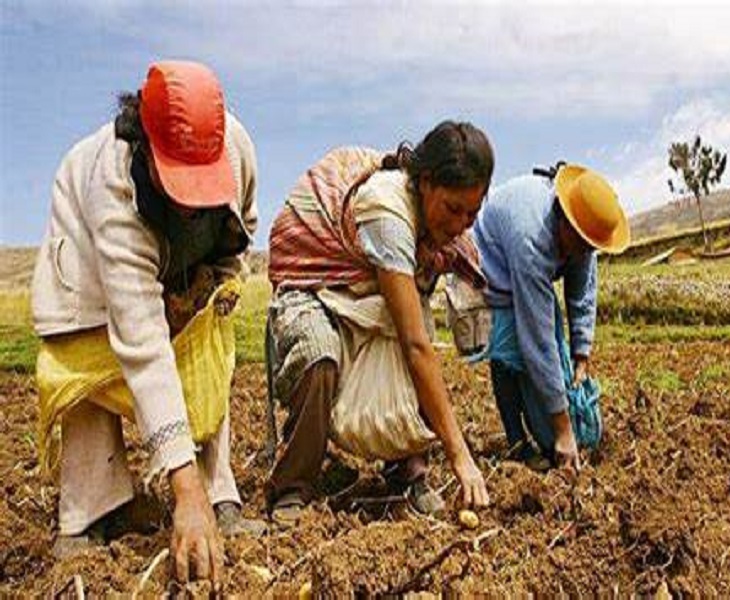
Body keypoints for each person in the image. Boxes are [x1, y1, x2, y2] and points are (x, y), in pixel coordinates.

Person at [31, 60, 264, 586]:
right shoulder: (111, 188)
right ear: (148, 149)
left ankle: (216, 489)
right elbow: (142, 341)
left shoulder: (236, 149)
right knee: (88, 367)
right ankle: (90, 510)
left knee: (208, 357)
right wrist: (181, 495)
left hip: (189, 269)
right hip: (88, 283)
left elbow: (243, 226)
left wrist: (211, 285)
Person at [265, 121, 495, 524]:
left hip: (366, 288)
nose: (460, 225)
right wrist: (460, 454)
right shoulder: (387, 213)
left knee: (412, 330)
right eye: (453, 209)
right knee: (318, 357)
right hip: (316, 284)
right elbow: (415, 346)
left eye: (472, 213)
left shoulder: (441, 229)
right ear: (424, 183)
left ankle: (407, 472)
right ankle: (293, 485)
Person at [472, 164, 630, 471]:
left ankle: (545, 425)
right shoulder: (531, 239)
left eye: (591, 249)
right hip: (490, 268)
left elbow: (582, 291)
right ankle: (517, 443)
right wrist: (563, 432)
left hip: (526, 261)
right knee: (509, 354)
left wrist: (580, 354)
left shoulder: (583, 234)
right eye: (582, 246)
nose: (586, 253)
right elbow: (539, 340)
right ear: (564, 223)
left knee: (556, 367)